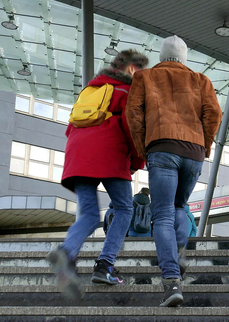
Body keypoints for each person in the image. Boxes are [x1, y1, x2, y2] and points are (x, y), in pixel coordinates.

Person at [127, 35, 222, 307]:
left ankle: (171, 281)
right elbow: (213, 113)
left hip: (162, 148)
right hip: (193, 152)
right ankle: (178, 255)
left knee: (163, 215)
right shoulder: (200, 80)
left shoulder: (144, 78)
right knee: (180, 207)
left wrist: (144, 148)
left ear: (161, 55)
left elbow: (133, 115)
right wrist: (204, 145)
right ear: (184, 58)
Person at [47, 49, 147, 300]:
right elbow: (132, 129)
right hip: (110, 151)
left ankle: (67, 251)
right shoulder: (126, 91)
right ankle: (105, 266)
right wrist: (136, 162)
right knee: (125, 209)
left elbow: (71, 128)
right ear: (133, 69)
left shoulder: (89, 91)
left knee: (90, 215)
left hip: (78, 155)